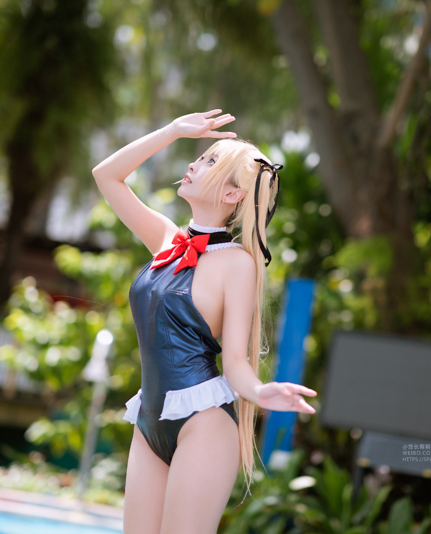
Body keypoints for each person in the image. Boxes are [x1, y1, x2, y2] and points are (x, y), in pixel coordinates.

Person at [91, 109, 317, 534]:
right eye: (200, 156)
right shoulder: (166, 240)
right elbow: (106, 175)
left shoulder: (237, 264)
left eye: (210, 161)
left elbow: (235, 361)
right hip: (149, 417)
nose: (194, 164)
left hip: (204, 424)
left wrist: (260, 391)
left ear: (232, 194)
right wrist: (173, 131)